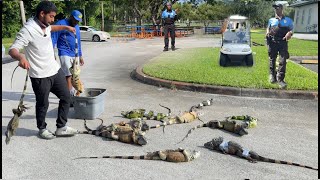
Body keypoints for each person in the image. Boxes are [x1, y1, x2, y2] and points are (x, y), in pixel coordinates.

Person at [8, 1, 79, 139]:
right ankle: (42, 128)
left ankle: (61, 127)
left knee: (66, 96)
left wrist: (65, 27)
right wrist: (21, 57)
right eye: (51, 16)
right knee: (43, 104)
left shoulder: (46, 25)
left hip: (54, 70)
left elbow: (52, 28)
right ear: (42, 14)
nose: (53, 19)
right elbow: (13, 49)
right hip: (40, 75)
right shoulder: (28, 29)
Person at [51, 10, 84, 103]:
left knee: (75, 75)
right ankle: (69, 96)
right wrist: (51, 52)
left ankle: (73, 92)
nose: (76, 22)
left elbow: (78, 41)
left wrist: (80, 55)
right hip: (64, 52)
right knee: (68, 75)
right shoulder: (61, 24)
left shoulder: (76, 27)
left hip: (75, 54)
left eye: (78, 21)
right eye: (75, 20)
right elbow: (53, 38)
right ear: (71, 17)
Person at [266, 2, 294, 89]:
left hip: (283, 42)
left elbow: (292, 30)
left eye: (277, 8)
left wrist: (289, 33)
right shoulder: (271, 20)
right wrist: (267, 33)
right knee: (272, 59)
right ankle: (272, 76)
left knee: (282, 60)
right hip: (273, 42)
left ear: (281, 9)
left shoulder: (288, 20)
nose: (276, 10)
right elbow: (268, 28)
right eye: (275, 8)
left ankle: (281, 79)